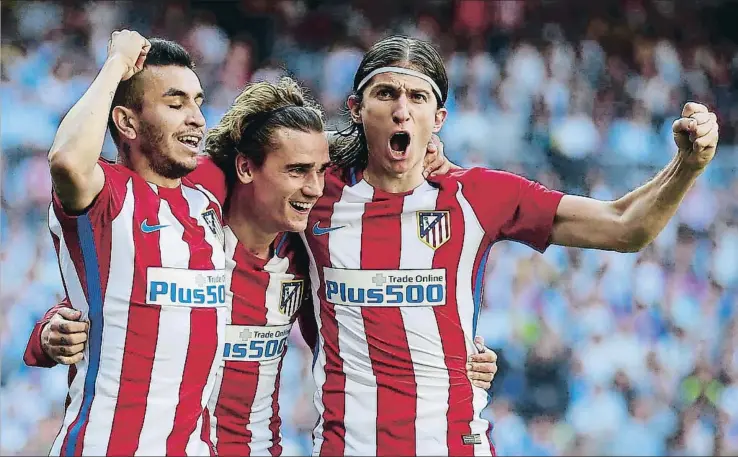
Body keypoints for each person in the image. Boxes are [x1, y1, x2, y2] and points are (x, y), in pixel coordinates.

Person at [28, 75, 500, 456]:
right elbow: (116, 278)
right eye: (298, 172)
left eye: (319, 172)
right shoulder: (201, 209)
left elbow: (354, 333)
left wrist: (457, 358)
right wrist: (50, 331)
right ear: (247, 168)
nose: (315, 188)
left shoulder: (304, 254)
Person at [300, 35, 719, 456]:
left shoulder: (478, 196)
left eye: (418, 97)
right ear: (356, 107)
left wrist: (687, 166)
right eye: (386, 93)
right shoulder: (312, 192)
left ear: (439, 117)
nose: (401, 110)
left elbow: (625, 227)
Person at [44, 29, 226, 456]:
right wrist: (117, 66)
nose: (197, 118)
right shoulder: (108, 194)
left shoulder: (208, 203)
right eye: (176, 103)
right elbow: (67, 161)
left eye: (198, 102)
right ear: (127, 121)